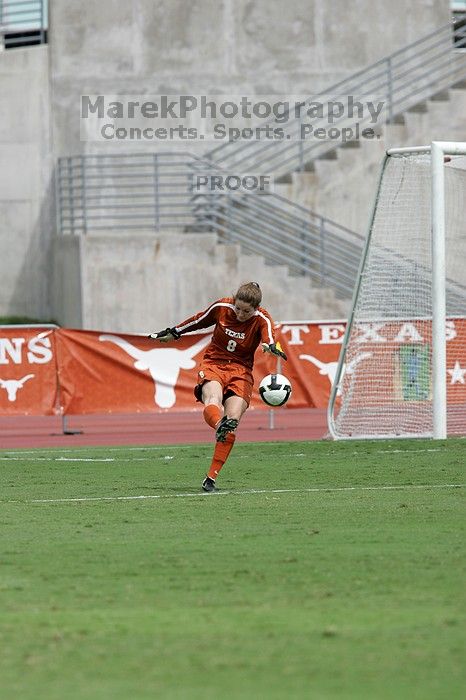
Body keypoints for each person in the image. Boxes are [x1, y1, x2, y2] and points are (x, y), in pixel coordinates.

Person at [148, 282, 287, 492]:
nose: (240, 314)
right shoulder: (222, 307)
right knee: (213, 400)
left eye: (246, 311)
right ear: (234, 301)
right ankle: (218, 424)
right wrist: (174, 332)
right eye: (238, 308)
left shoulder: (262, 319)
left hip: (241, 371)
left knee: (232, 422)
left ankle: (211, 478)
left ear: (256, 309)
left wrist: (270, 346)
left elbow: (269, 338)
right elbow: (198, 320)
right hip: (214, 363)